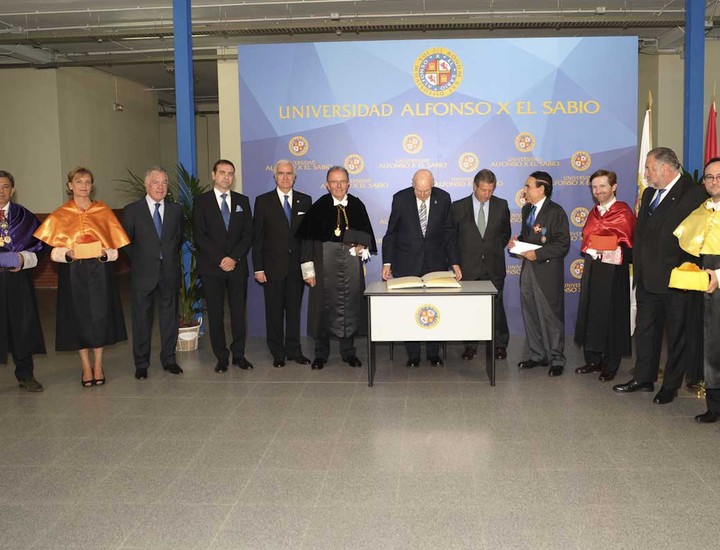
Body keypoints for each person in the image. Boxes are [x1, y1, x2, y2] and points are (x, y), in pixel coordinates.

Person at [613, 147, 707, 404]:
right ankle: (643, 378)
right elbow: (642, 234)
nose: (646, 174)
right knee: (645, 331)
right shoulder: (649, 193)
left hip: (675, 279)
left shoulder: (693, 193)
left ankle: (670, 386)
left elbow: (697, 238)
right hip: (646, 277)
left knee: (676, 335)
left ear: (666, 168)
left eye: (649, 168)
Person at [34, 167, 129, 387]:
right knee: (78, 318)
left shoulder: (103, 211)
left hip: (100, 271)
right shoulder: (60, 214)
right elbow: (53, 253)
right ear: (70, 186)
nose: (84, 186)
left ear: (92, 186)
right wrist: (68, 254)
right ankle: (85, 366)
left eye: (87, 182)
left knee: (100, 317)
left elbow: (115, 250)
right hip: (73, 273)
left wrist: (104, 253)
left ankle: (99, 364)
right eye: (79, 181)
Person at [295, 165, 376, 370]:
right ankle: (321, 354)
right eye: (334, 182)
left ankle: (348, 353)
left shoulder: (357, 205)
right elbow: (307, 242)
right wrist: (308, 271)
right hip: (323, 267)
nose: (338, 186)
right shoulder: (319, 207)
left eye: (342, 181)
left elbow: (366, 238)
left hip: (351, 269)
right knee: (321, 310)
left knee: (350, 308)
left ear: (348, 184)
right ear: (327, 185)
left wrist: (362, 247)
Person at [382, 169, 461, 367]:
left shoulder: (444, 198)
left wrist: (455, 262)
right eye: (419, 191)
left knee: (435, 307)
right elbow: (391, 233)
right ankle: (413, 354)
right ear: (413, 184)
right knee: (410, 308)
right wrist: (387, 262)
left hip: (435, 262)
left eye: (427, 191)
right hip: (406, 262)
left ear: (433, 184)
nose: (423, 195)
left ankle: (433, 353)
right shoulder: (400, 199)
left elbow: (449, 233)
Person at [122, 166, 184, 380]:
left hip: (169, 272)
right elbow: (126, 242)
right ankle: (141, 363)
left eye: (164, 182)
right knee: (141, 320)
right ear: (146, 184)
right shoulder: (132, 210)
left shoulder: (176, 210)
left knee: (169, 318)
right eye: (156, 182)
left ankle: (169, 359)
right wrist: (142, 260)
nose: (160, 187)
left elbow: (178, 239)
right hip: (143, 273)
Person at [573, 170, 636, 382]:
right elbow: (587, 239)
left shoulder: (623, 212)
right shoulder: (594, 213)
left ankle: (611, 364)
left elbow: (631, 246)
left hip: (614, 272)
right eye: (594, 187)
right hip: (593, 269)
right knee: (592, 313)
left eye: (602, 186)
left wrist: (611, 249)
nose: (598, 191)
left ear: (614, 187)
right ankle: (593, 360)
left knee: (612, 316)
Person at [193, 159, 253, 373]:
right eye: (222, 172)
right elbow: (199, 235)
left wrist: (233, 258)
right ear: (213, 175)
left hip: (237, 266)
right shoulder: (201, 202)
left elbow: (248, 234)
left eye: (230, 173)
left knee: (238, 313)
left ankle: (239, 355)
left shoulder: (242, 201)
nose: (226, 177)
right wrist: (221, 259)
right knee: (216, 314)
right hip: (212, 268)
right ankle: (221, 357)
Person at [673, 157, 720, 422]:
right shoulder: (701, 212)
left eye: (719, 176)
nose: (714, 181)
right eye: (709, 177)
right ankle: (714, 406)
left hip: (717, 281)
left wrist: (718, 276)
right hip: (704, 289)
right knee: (710, 346)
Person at [509, 171, 570, 377]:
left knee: (550, 315)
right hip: (528, 269)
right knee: (530, 312)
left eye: (528, 186)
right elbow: (528, 237)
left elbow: (563, 244)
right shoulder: (527, 209)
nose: (524, 190)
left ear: (541, 189)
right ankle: (537, 354)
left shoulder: (556, 212)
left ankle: (556, 358)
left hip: (547, 271)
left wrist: (538, 253)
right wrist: (517, 243)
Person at [252, 160, 312, 368]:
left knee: (294, 312)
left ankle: (294, 350)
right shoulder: (263, 201)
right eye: (281, 173)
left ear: (294, 177)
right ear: (275, 176)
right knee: (274, 313)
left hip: (296, 269)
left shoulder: (305, 200)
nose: (285, 177)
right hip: (272, 269)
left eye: (289, 173)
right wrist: (258, 268)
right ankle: (277, 352)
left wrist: (308, 269)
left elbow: (308, 239)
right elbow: (257, 238)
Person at [452, 168, 511, 361]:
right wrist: (456, 263)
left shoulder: (501, 205)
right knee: (469, 308)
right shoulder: (458, 207)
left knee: (496, 307)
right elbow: (452, 238)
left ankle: (499, 345)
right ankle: (470, 345)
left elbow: (505, 233)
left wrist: (492, 249)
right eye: (483, 190)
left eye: (491, 190)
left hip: (494, 266)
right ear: (474, 186)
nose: (487, 194)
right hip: (468, 268)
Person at [0, 170, 46, 392]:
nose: (1, 191)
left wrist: (23, 259)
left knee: (22, 325)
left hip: (17, 279)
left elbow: (40, 247)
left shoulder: (25, 217)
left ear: (13, 190)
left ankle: (26, 375)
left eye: (5, 186)